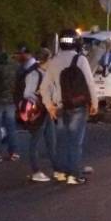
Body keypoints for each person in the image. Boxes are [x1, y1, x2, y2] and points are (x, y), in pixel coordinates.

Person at [40, 29, 98, 185]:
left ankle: (60, 173)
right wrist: (94, 103)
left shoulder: (53, 61)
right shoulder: (80, 60)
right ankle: (74, 175)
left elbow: (43, 88)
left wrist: (49, 106)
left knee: (61, 141)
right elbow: (90, 83)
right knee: (75, 142)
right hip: (78, 106)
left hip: (59, 106)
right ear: (77, 43)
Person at [23, 48, 59, 183]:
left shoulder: (46, 73)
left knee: (52, 141)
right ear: (46, 60)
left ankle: (57, 169)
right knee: (35, 141)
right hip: (39, 112)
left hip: (47, 111)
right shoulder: (34, 74)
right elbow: (27, 94)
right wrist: (42, 100)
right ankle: (36, 171)